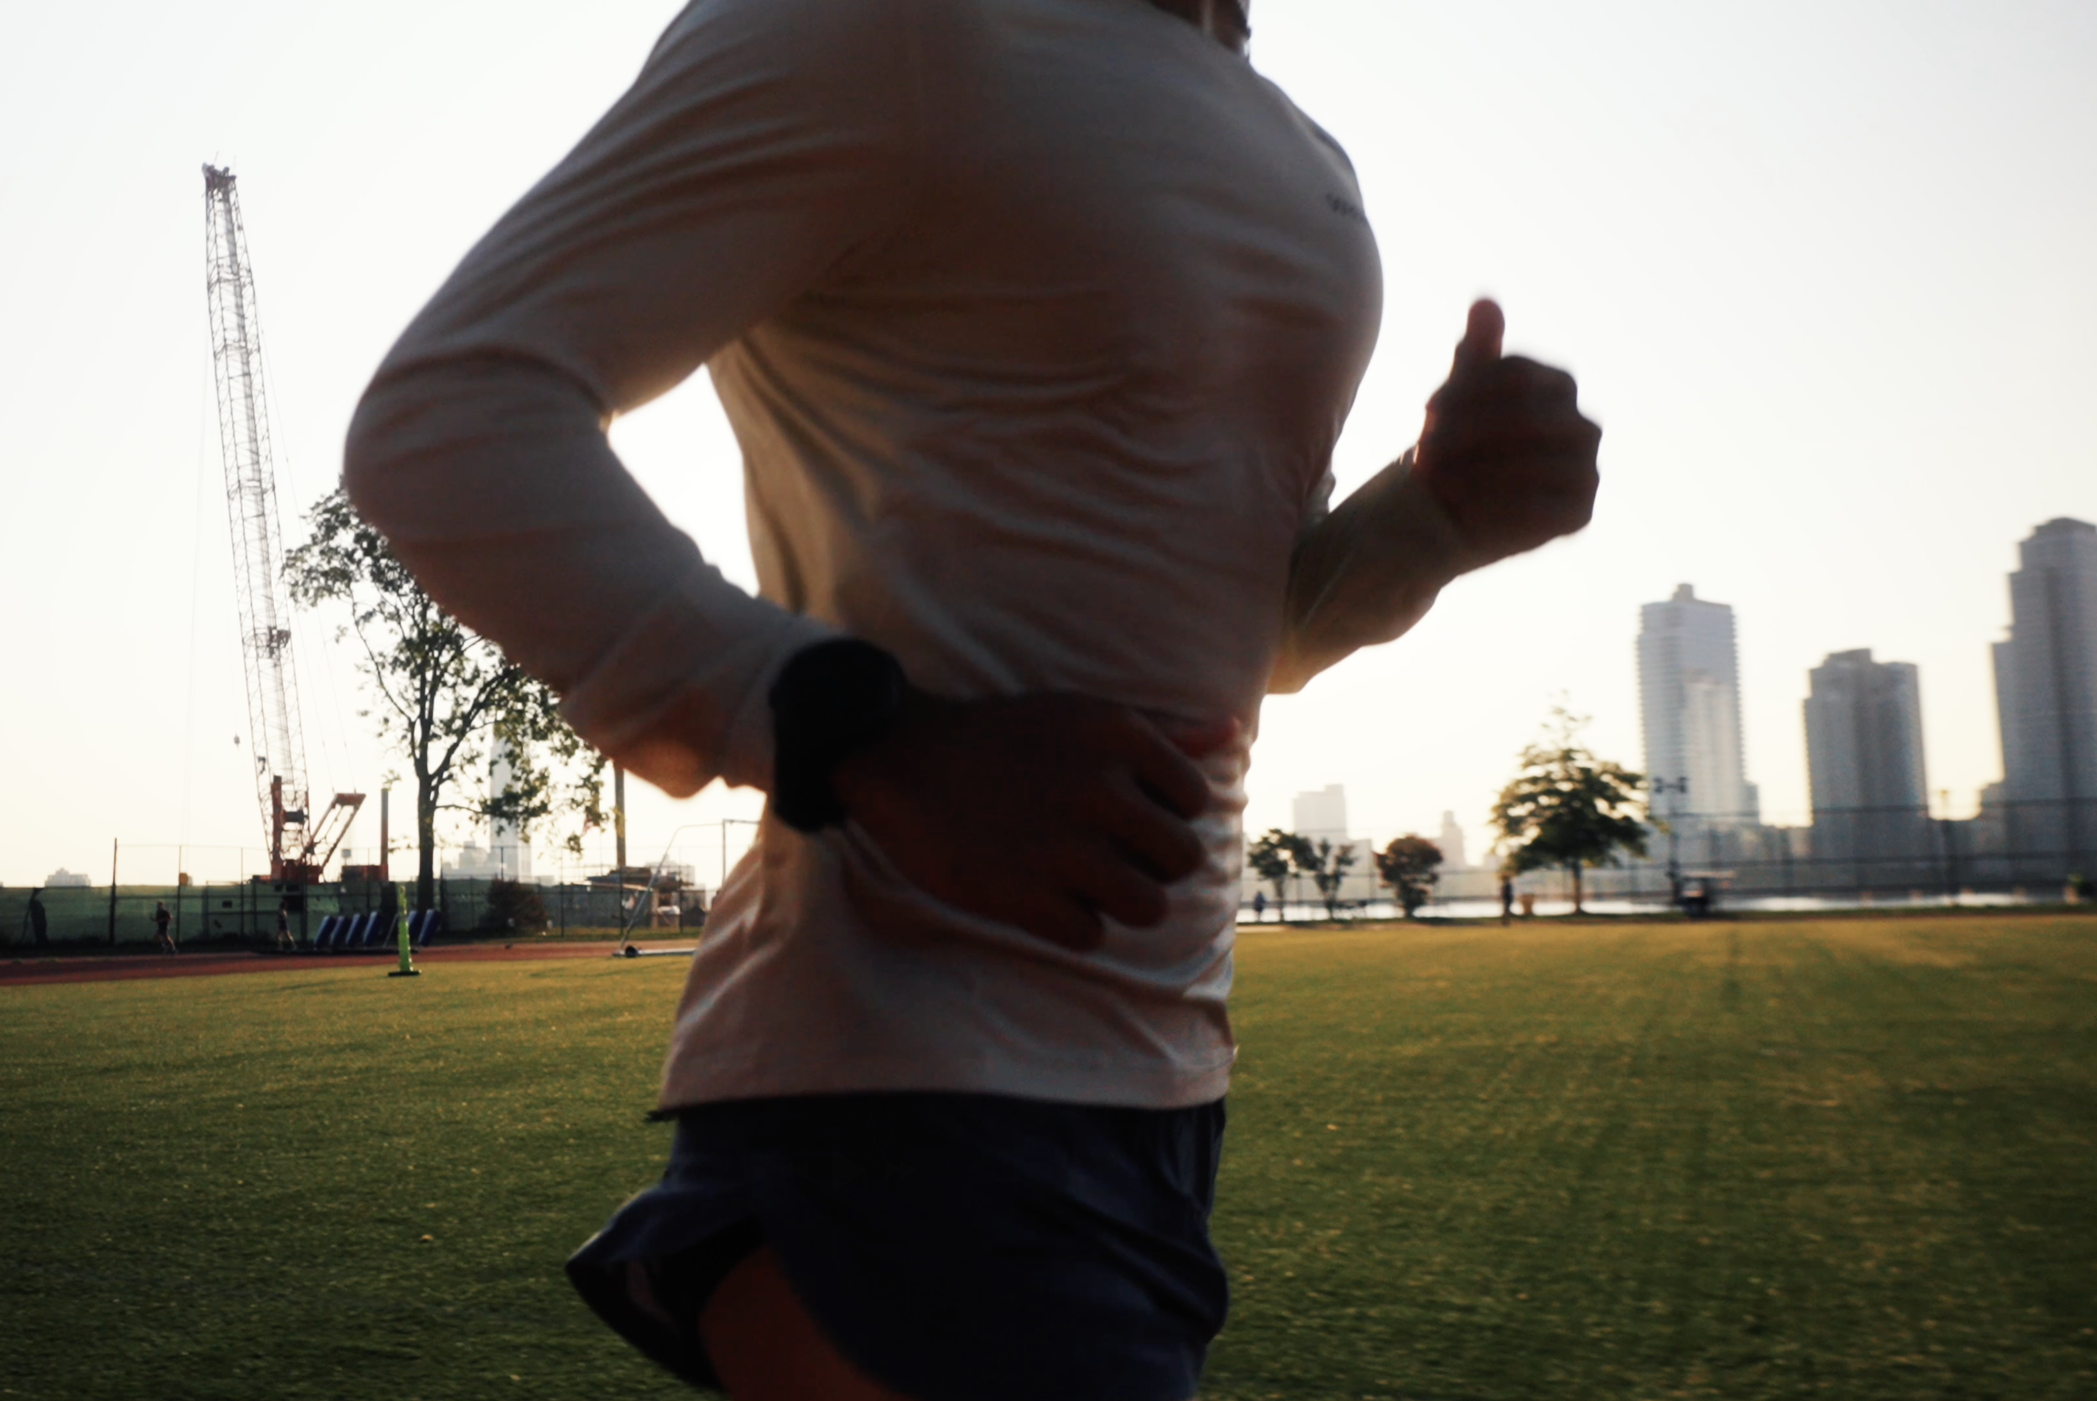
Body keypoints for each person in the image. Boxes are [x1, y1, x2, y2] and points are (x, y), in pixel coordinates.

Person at [343, 1, 1601, 1396]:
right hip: (903, 1090)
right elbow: (450, 416)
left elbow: (1249, 627)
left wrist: (1428, 517)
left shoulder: (1299, 150)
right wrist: (869, 737)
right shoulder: (887, 26)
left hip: (1158, 1086)